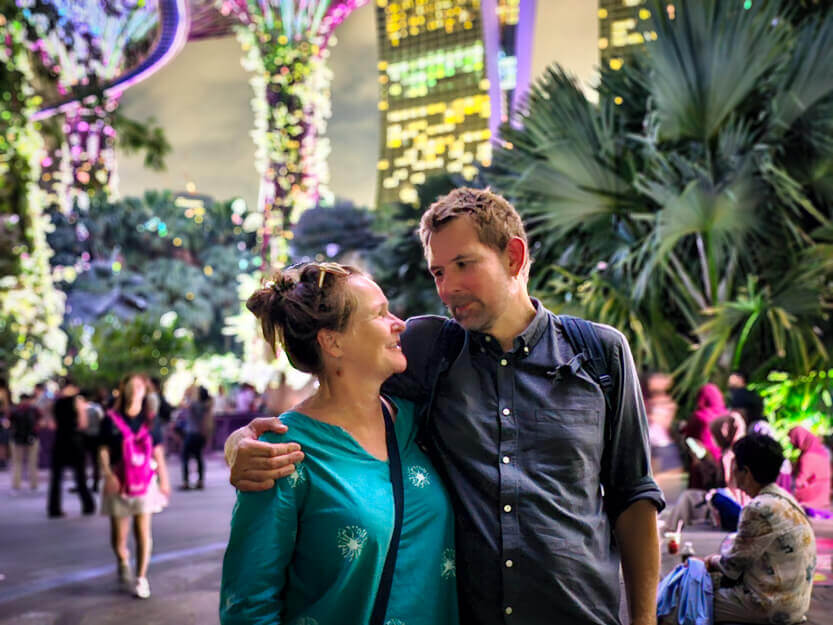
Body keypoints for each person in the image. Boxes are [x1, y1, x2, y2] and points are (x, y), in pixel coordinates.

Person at [225, 188, 665, 625]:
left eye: (464, 265)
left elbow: (634, 497)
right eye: (438, 272)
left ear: (513, 257)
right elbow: (341, 390)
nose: (448, 287)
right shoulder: (428, 348)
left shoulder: (600, 353)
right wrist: (241, 442)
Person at [220, 263, 458, 625]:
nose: (400, 323)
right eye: (379, 314)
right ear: (333, 341)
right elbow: (248, 606)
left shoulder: (420, 421)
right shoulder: (282, 452)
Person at [703, 433, 816, 624]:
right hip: (796, 603)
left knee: (685, 601)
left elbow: (731, 567)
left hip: (770, 606)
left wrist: (710, 560)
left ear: (746, 472)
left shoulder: (758, 508)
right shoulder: (785, 498)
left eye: (735, 468)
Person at [98, 373, 170, 599]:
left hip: (145, 482)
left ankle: (141, 578)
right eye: (132, 385)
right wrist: (108, 474)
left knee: (143, 532)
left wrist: (164, 481)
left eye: (141, 385)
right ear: (124, 388)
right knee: (118, 538)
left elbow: (158, 451)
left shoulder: (150, 420)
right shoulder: (110, 419)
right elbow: (103, 449)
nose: (136, 388)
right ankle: (122, 559)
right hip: (119, 482)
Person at [47, 379, 95, 517]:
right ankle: (88, 505)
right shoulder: (77, 402)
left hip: (59, 441)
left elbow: (52, 425)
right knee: (80, 476)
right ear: (74, 388)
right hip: (74, 441)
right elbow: (83, 423)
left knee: (56, 478)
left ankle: (54, 508)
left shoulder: (55, 403)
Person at [789, 425, 831, 511]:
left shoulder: (808, 456)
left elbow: (800, 480)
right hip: (824, 494)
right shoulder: (822, 452)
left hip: (814, 494)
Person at [683, 383, 727, 463]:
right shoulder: (727, 415)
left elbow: (688, 435)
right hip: (724, 459)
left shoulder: (700, 416)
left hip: (706, 459)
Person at [181, 385, 213, 490]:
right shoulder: (206, 406)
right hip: (201, 435)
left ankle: (186, 481)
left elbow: (182, 403)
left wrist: (187, 393)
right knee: (199, 457)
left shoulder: (194, 404)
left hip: (192, 434)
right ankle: (200, 481)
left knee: (185, 457)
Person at [9, 393, 43, 490]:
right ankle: (33, 484)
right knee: (32, 463)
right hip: (32, 438)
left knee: (17, 463)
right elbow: (40, 421)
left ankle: (16, 484)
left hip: (17, 439)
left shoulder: (15, 410)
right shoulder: (34, 410)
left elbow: (9, 423)